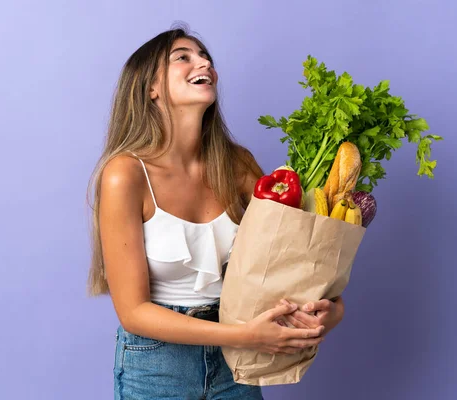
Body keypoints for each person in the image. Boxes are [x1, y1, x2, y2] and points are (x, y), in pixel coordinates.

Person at [86, 25, 346, 400]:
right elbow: (133, 312)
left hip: (237, 363)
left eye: (204, 55)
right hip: (158, 366)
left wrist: (328, 312)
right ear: (150, 88)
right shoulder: (125, 174)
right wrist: (246, 335)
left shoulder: (237, 164)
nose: (203, 61)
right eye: (183, 57)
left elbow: (291, 257)